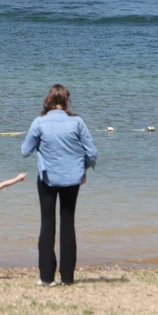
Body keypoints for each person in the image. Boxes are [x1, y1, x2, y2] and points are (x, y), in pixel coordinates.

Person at [21, 84, 97, 286]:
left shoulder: (40, 122)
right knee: (68, 225)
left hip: (47, 178)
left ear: (48, 100)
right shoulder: (77, 122)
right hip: (73, 179)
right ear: (66, 101)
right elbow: (92, 153)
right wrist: (83, 169)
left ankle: (46, 277)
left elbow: (25, 150)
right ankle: (67, 278)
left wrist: (40, 143)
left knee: (47, 225)